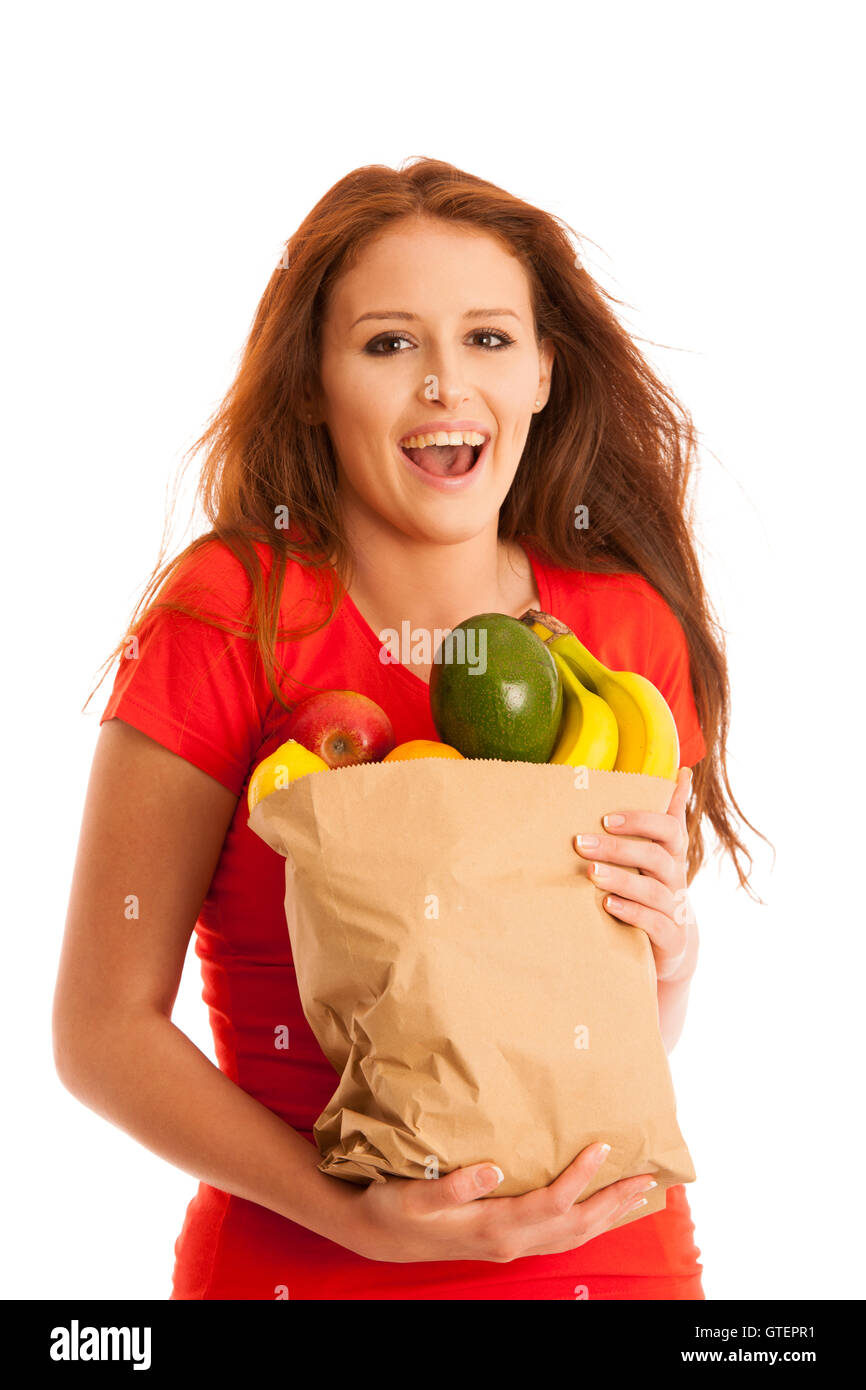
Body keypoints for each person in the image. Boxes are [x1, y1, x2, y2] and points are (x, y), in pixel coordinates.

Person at [53, 157, 764, 1300]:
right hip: (304, 1274)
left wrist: (668, 952)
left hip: (609, 1266)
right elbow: (99, 1029)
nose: (444, 383)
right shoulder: (234, 616)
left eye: (487, 339)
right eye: (389, 344)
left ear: (541, 370)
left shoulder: (620, 632)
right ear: (312, 385)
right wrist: (357, 1219)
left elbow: (586, 1028)